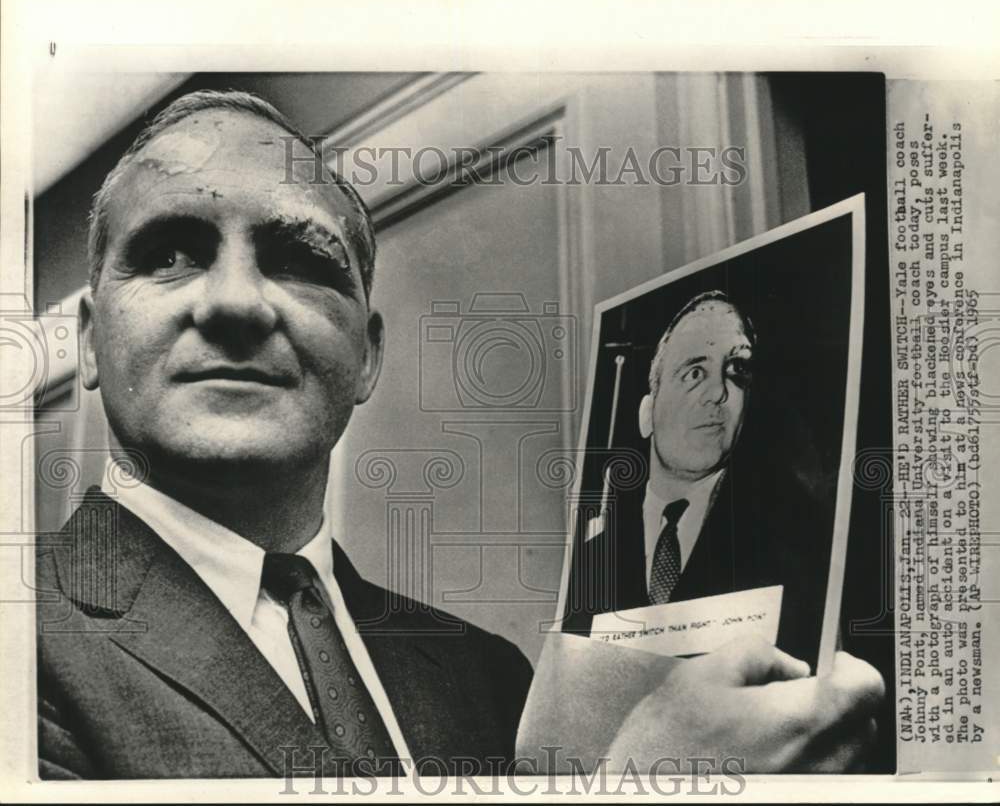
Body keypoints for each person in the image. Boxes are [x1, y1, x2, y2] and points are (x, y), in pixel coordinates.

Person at [36, 90, 882, 780]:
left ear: (367, 356)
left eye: (298, 260)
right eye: (172, 253)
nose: (235, 303)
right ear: (86, 343)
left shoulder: (490, 676)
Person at [564, 292, 834, 665]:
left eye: (736, 371)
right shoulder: (589, 563)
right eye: (694, 373)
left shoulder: (794, 552)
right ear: (647, 413)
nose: (720, 392)